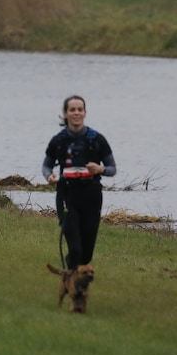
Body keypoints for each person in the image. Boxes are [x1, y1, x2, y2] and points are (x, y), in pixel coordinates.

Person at [41, 95, 116, 310]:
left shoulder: (97, 139)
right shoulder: (58, 140)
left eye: (79, 109)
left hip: (91, 195)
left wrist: (100, 169)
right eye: (72, 109)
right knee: (74, 247)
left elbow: (112, 168)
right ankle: (77, 297)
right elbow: (46, 166)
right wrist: (49, 177)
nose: (76, 113)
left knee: (87, 251)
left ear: (85, 113)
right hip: (67, 195)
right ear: (65, 114)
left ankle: (73, 279)